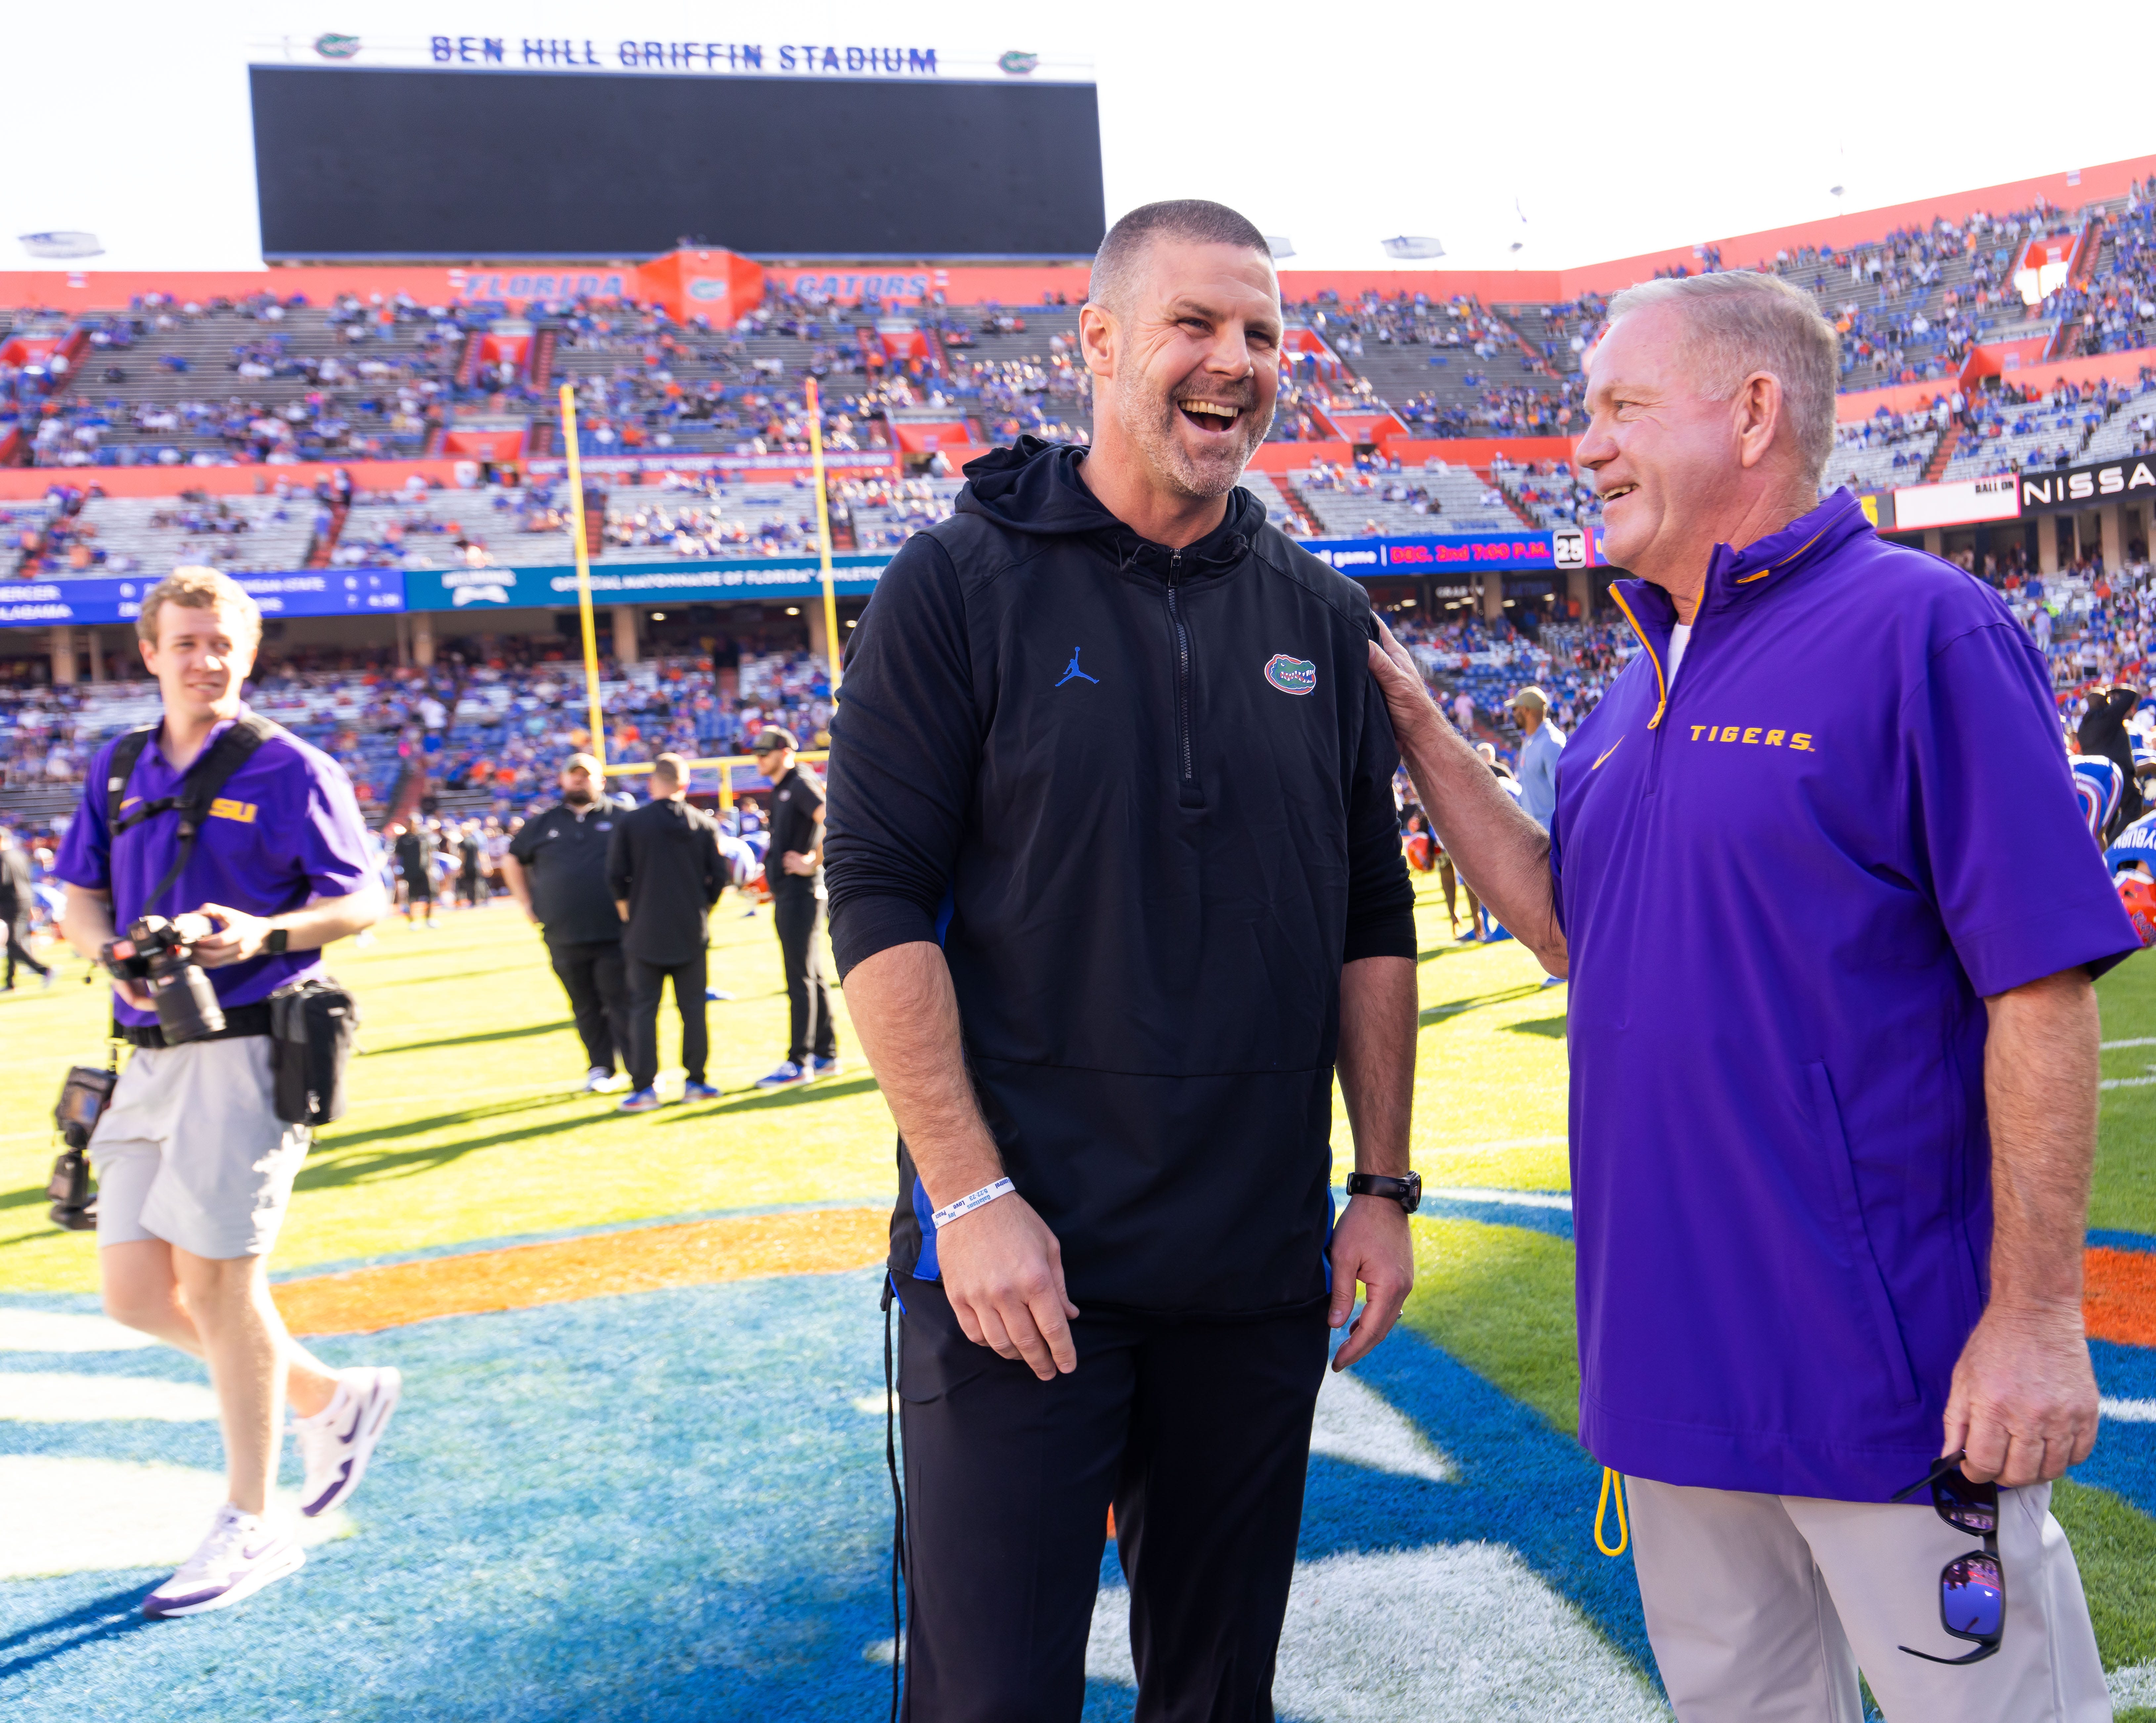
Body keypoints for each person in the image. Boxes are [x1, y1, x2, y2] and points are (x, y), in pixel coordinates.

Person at [1365, 270, 2138, 1722]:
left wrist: (2035, 1320)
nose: (1580, 446)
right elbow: (1569, 932)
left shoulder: (1927, 631)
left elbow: (2040, 990)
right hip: (1666, 1371)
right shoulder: (1626, 684)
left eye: (1617, 407)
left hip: (1889, 1382)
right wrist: (1414, 721)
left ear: (1751, 411)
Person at [826, 199, 1420, 1721]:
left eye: (1265, 332)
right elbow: (876, 900)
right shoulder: (954, 585)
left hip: (1252, 1265)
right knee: (991, 1699)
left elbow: (1369, 911)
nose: (1237, 361)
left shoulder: (1317, 611)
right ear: (1094, 343)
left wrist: (1381, 1182)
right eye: (1196, 325)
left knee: (1218, 1693)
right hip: (1020, 1270)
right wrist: (968, 1193)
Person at [53, 567, 400, 1619]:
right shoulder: (114, 765)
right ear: (148, 652)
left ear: (248, 655)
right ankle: (326, 1397)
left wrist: (263, 932)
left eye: (224, 644)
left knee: (217, 1284)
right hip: (142, 1051)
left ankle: (253, 1519)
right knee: (131, 1292)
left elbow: (365, 899)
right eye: (187, 641)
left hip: (250, 1041)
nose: (206, 659)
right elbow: (79, 891)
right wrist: (99, 951)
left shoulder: (293, 766)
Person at [501, 753, 633, 1094]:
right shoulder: (543, 824)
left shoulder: (623, 818)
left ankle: (639, 1068)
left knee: (622, 1001)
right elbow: (513, 858)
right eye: (573, 776)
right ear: (562, 780)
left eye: (586, 776)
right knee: (584, 1003)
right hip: (563, 932)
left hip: (615, 930)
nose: (579, 781)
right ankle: (600, 1067)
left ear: (601, 781)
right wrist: (526, 904)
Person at [606, 752, 726, 1111]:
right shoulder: (702, 824)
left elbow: (615, 878)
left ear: (652, 783)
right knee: (692, 1010)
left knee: (643, 1009)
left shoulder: (632, 823)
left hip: (644, 931)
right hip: (690, 928)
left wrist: (632, 914)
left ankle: (644, 1087)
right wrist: (701, 908)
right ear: (684, 785)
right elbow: (718, 878)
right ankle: (696, 1081)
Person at [749, 728, 839, 1088]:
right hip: (793, 891)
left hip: (801, 891)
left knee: (798, 976)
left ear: (786, 752)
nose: (759, 758)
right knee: (811, 974)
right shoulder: (784, 785)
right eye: (755, 752)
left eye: (764, 751)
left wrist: (811, 861)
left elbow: (833, 817)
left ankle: (799, 1061)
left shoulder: (798, 782)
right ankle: (826, 1053)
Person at [2078, 681, 2144, 837]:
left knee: (2108, 822)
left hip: (2101, 780)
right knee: (2133, 811)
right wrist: (2112, 690)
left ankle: (2108, 851)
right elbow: (2131, 694)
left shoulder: (2082, 728)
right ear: (2104, 701)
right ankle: (2114, 849)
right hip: (2120, 774)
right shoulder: (2108, 717)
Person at [2, 825, 53, 990]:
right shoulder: (20, 855)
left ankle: (44, 970)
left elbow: (4, 881)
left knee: (13, 943)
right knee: (15, 940)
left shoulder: (4, 858)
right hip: (24, 899)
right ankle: (10, 981)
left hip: (11, 902)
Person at [1509, 684, 1565, 830]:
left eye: (1516, 709)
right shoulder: (1529, 742)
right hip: (1533, 836)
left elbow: (1565, 796)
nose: (1513, 714)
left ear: (1526, 710)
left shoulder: (1552, 743)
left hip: (1549, 840)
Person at [392, 819, 437, 929]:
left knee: (430, 894)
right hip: (410, 871)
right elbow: (398, 856)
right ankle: (412, 921)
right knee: (410, 897)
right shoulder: (403, 839)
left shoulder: (423, 836)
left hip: (424, 870)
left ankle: (428, 919)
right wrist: (397, 870)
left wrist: (432, 868)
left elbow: (430, 852)